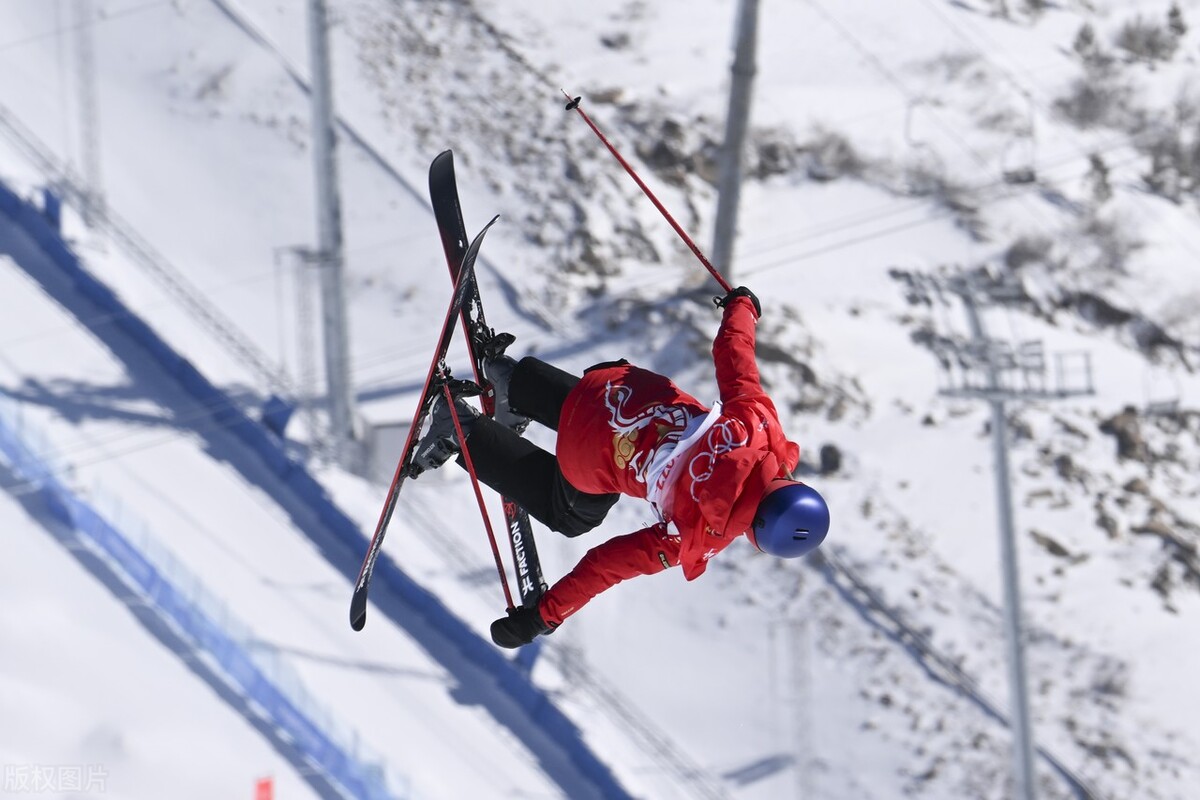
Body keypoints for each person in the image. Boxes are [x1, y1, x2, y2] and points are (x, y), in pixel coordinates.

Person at [412, 286, 831, 648]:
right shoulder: (697, 533)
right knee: (574, 515)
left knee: (619, 409)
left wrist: (742, 307)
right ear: (757, 535)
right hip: (589, 450)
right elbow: (607, 564)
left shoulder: (760, 425)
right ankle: (459, 427)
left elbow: (735, 356)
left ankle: (509, 377)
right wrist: (543, 616)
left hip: (615, 385)